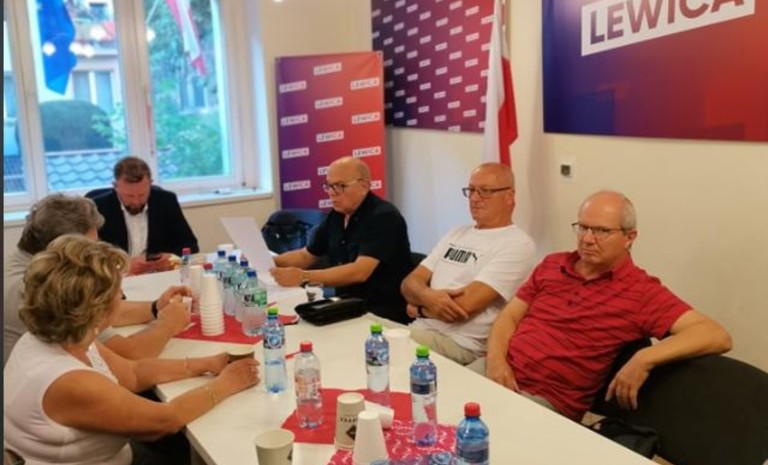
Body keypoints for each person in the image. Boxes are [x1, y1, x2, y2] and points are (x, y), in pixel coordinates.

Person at [3, 235, 259, 465]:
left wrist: (208, 364)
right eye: (118, 290)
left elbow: (133, 373)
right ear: (97, 308)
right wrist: (226, 384)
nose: (122, 295)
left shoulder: (57, 337)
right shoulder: (69, 380)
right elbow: (164, 421)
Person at [484, 191, 733, 421]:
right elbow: (509, 317)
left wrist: (644, 358)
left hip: (543, 399)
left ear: (629, 237)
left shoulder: (640, 292)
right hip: (495, 371)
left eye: (601, 231)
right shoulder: (553, 264)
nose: (587, 239)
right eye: (583, 227)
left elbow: (716, 335)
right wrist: (496, 361)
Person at [4, 194, 191, 365]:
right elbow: (129, 356)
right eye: (90, 247)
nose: (95, 253)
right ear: (65, 247)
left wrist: (156, 307)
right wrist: (167, 324)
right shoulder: (38, 288)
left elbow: (97, 311)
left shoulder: (23, 265)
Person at [401, 163, 535, 365]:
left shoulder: (517, 244)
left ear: (509, 196)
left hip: (459, 345)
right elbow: (409, 283)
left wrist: (418, 307)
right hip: (420, 330)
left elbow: (462, 308)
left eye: (485, 191)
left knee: (370, 338)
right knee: (361, 329)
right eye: (471, 190)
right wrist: (428, 297)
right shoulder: (456, 233)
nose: (474, 198)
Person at [270, 156, 414, 324]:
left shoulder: (384, 217)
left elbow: (360, 271)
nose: (332, 193)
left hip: (380, 310)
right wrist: (269, 262)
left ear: (364, 186)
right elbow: (306, 255)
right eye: (329, 186)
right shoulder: (337, 216)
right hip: (345, 305)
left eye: (340, 186)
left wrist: (303, 277)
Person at [89, 156, 199, 275]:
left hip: (157, 274)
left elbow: (190, 244)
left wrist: (172, 258)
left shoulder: (166, 201)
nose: (136, 201)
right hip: (119, 277)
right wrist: (122, 265)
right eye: (129, 196)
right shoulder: (97, 207)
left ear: (150, 184)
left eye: (142, 195)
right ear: (115, 186)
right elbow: (88, 255)